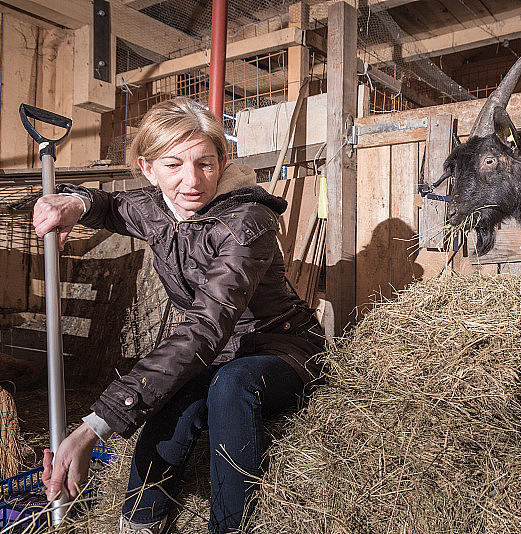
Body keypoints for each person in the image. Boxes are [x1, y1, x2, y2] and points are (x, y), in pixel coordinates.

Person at [32, 97, 325, 534]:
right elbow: (112, 206)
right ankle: (140, 523)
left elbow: (206, 326)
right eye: (173, 165)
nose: (192, 180)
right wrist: (75, 203)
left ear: (221, 162)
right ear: (148, 168)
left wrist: (94, 427)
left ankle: (230, 526)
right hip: (218, 352)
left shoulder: (246, 223)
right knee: (171, 394)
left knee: (230, 386)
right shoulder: (156, 208)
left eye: (205, 163)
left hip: (279, 346)